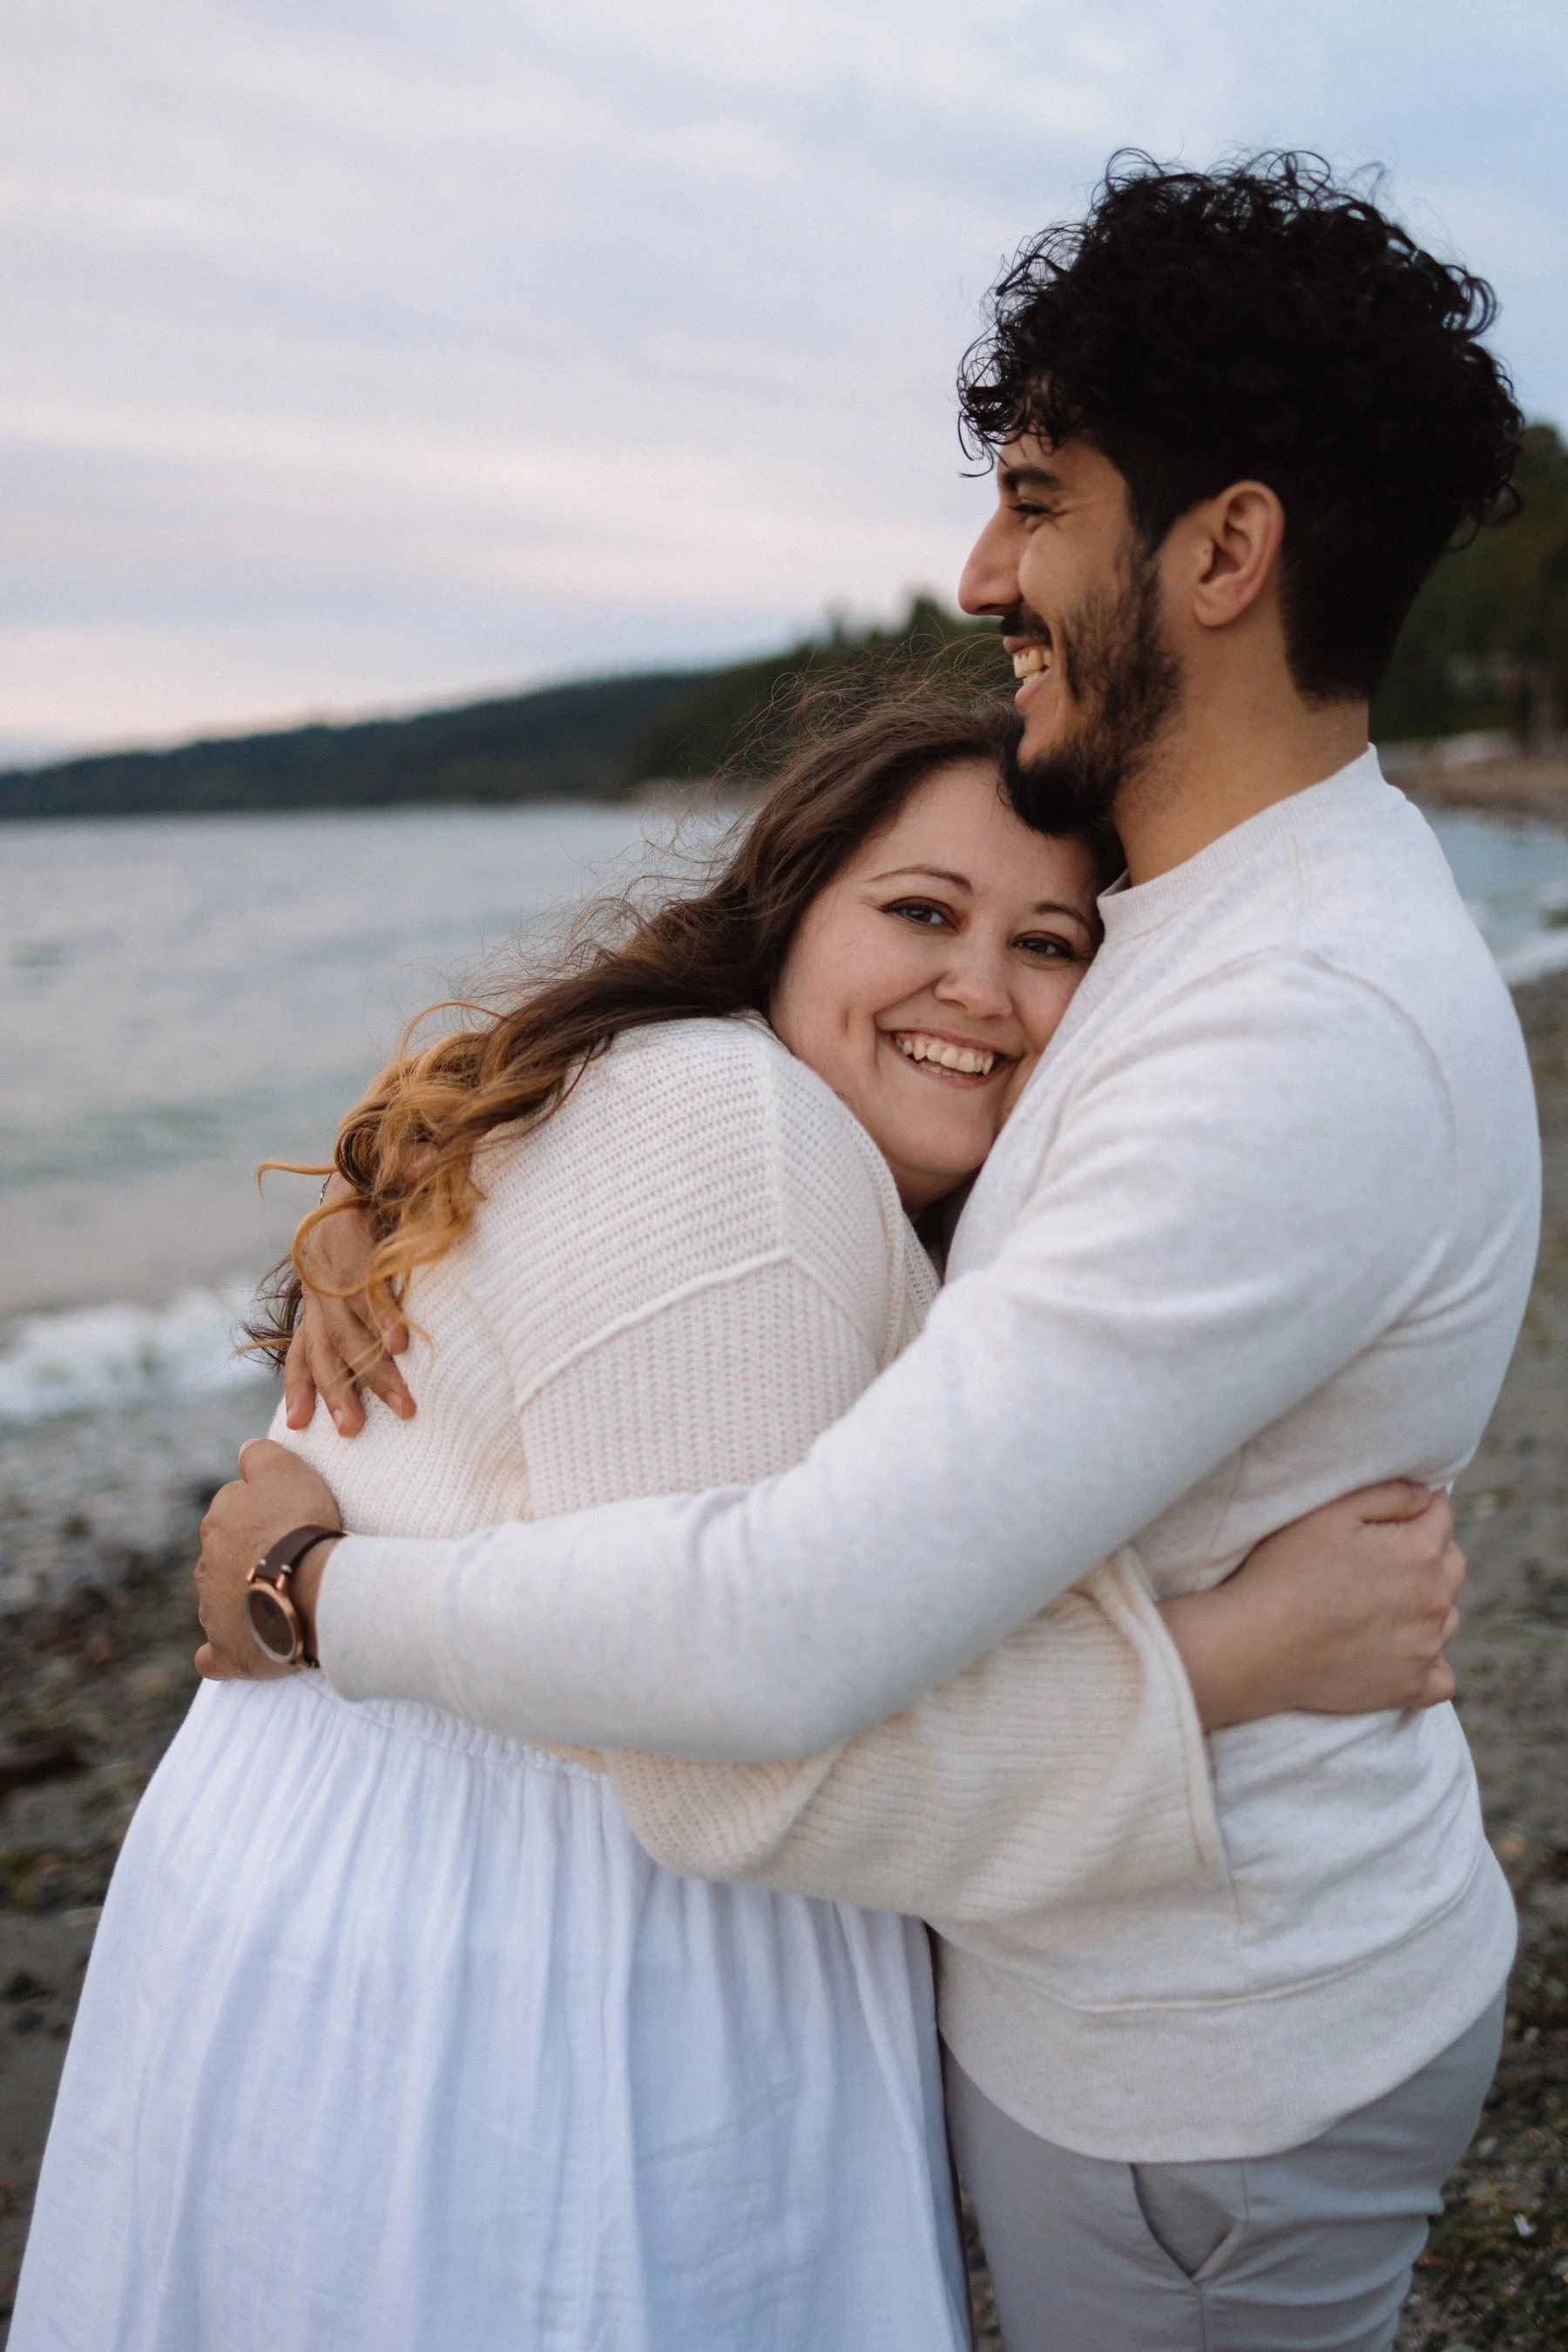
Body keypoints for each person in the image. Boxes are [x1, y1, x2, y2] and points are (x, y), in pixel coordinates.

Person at [192, 155, 1541, 2350]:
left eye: (1036, 497)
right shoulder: (1208, 939)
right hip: (1146, 1982)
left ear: (1223, 547)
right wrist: (416, 1212)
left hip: (1206, 2043)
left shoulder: (1286, 1034)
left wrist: (315, 1588)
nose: (981, 568)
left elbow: (771, 1647)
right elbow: (787, 1163)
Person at [15, 685, 1460, 2352]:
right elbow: (737, 1736)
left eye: (1052, 945)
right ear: (785, 920)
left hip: (409, 1859)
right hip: (537, 1934)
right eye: (919, 911)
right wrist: (1239, 1658)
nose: (978, 990)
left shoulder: (778, 1136)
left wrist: (347, 1252)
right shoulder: (745, 1133)